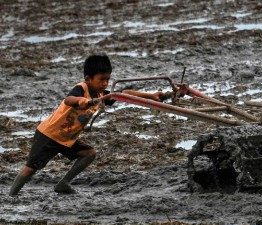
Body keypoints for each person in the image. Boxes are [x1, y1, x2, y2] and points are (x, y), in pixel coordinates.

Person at [9, 54, 164, 196]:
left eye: (107, 80)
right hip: (49, 135)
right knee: (31, 168)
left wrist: (150, 96)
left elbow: (123, 94)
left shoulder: (101, 95)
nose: (105, 83)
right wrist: (82, 101)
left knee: (89, 153)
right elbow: (68, 100)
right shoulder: (81, 88)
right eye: (101, 79)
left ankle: (63, 183)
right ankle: (12, 195)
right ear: (88, 79)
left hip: (66, 139)